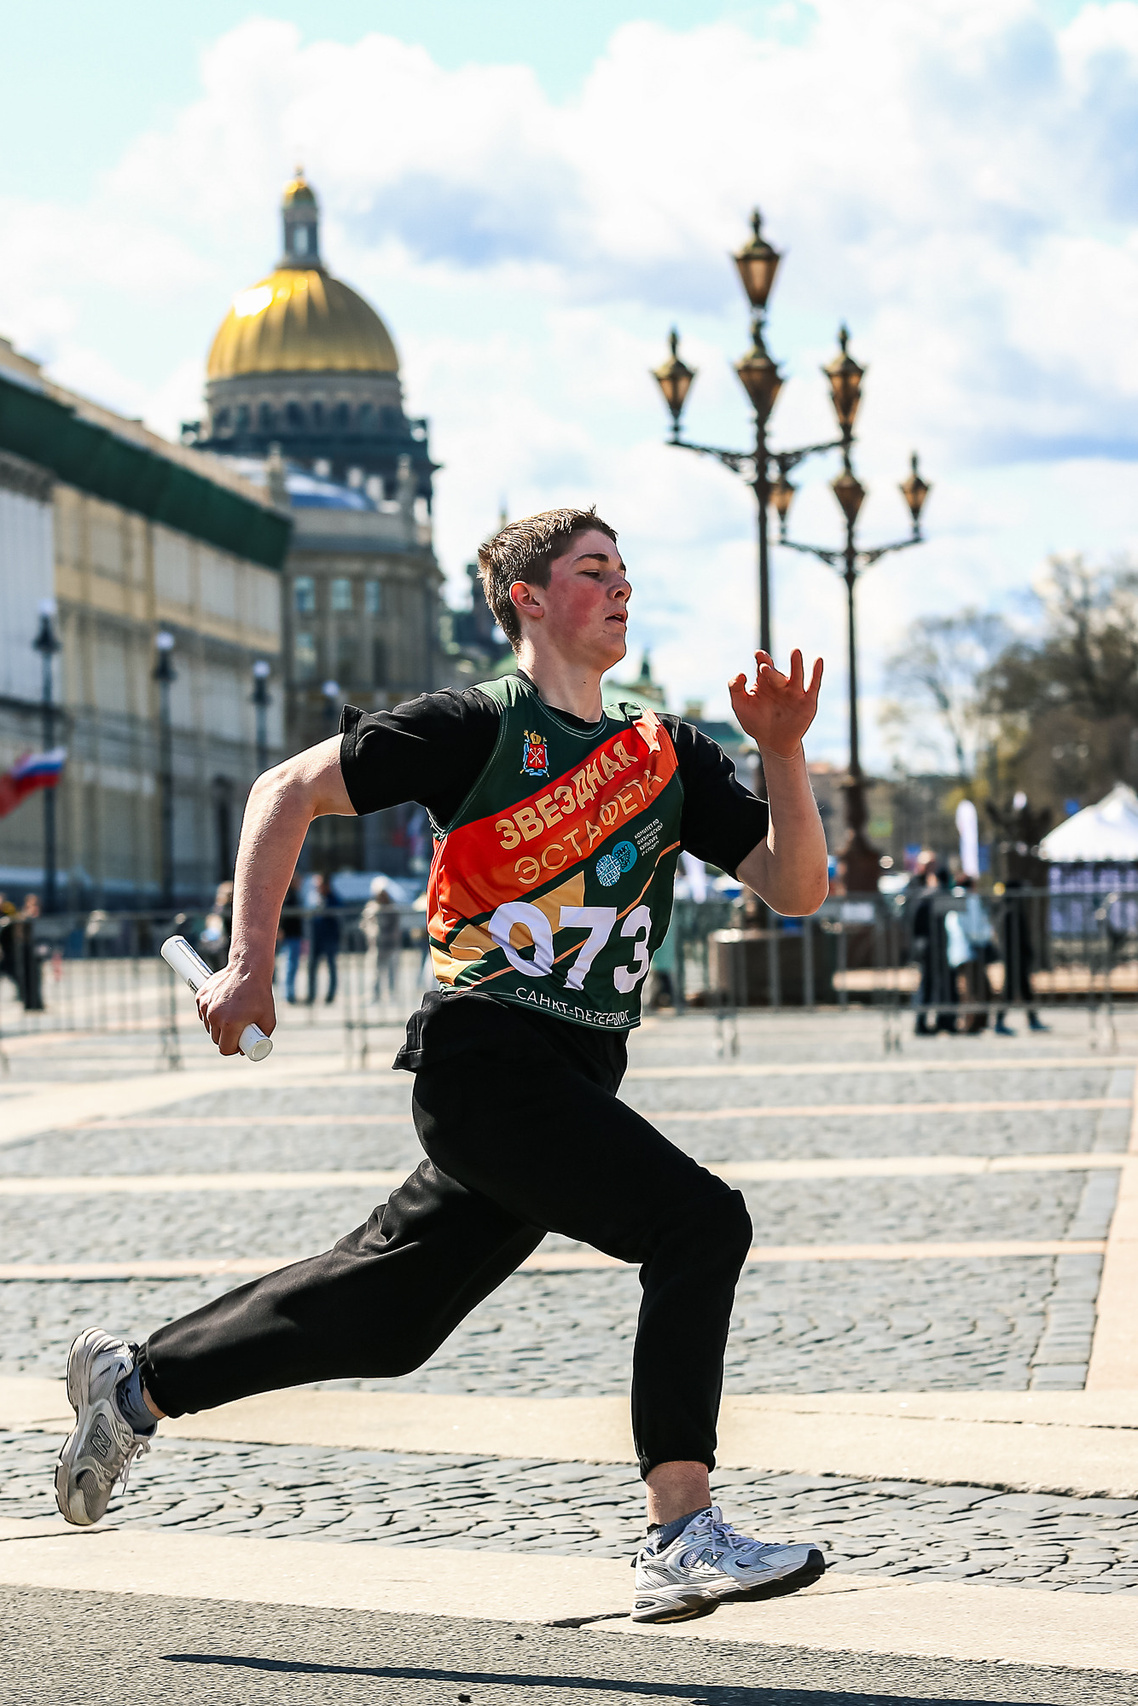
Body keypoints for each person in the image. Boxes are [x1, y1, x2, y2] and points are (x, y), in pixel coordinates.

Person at [54, 507, 830, 1626]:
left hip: (573, 1072)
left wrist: (784, 751)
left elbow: (795, 886)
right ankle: (681, 1532)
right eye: (592, 571)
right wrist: (246, 964)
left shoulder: (663, 753)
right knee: (700, 1223)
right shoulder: (471, 726)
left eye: (624, 572)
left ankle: (137, 1382)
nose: (620, 588)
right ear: (526, 596)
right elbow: (285, 791)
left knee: (391, 1316)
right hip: (486, 1062)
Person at [910, 865, 955, 1034]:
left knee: (928, 986)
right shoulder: (945, 896)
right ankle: (943, 1021)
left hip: (931, 947)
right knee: (942, 985)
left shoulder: (927, 896)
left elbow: (916, 924)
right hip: (941, 947)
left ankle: (924, 1022)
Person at [360, 877, 402, 1003]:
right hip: (376, 945)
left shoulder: (392, 908)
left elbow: (396, 926)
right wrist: (371, 934)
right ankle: (373, 995)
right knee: (374, 972)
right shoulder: (371, 908)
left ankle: (391, 995)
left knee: (391, 972)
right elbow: (364, 924)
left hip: (391, 945)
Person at [306, 873, 341, 1004]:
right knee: (312, 967)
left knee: (331, 966)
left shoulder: (334, 899)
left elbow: (338, 916)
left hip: (330, 938)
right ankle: (311, 994)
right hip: (316, 938)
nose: (317, 888)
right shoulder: (313, 898)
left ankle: (330, 995)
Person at [278, 873, 305, 1004]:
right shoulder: (289, 895)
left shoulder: (294, 894)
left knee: (292, 965)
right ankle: (288, 993)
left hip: (294, 934)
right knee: (289, 964)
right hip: (290, 934)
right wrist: (281, 930)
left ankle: (289, 992)